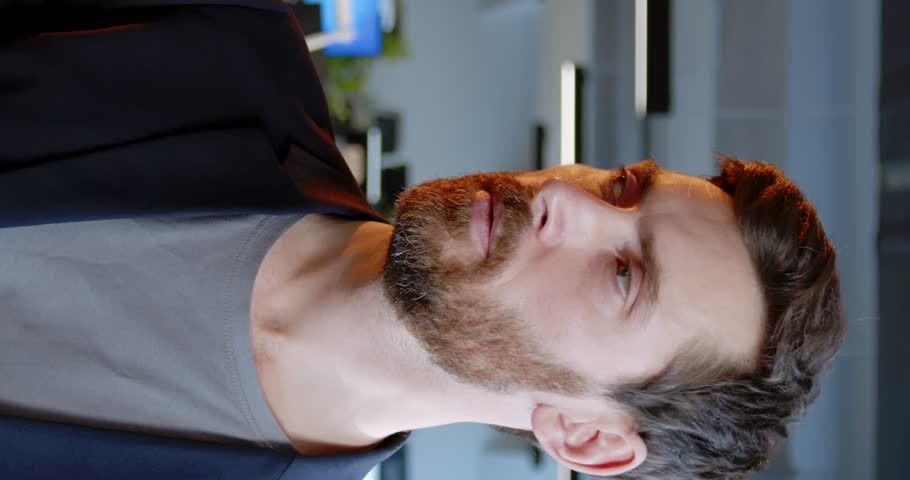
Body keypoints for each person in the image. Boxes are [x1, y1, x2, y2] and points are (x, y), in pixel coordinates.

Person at [0, 0, 846, 479]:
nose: (566, 198)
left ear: (587, 438)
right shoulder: (225, 42)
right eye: (625, 186)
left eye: (625, 275)